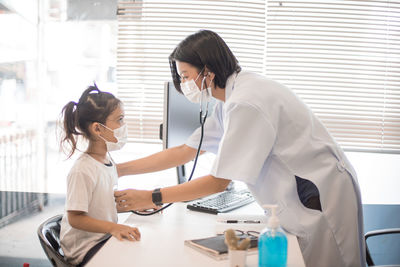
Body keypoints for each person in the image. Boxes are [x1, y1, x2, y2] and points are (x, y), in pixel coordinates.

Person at [114, 30, 365, 267]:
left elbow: (218, 182)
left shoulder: (245, 102)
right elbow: (185, 150)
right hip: (304, 192)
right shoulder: (229, 100)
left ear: (208, 71)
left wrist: (151, 197)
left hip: (317, 194)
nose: (183, 83)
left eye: (186, 75)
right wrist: (119, 170)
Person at [59, 85, 141, 266]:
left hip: (102, 238)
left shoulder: (107, 161)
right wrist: (114, 227)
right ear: (98, 129)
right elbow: (75, 217)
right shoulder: (83, 170)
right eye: (120, 120)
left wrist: (134, 206)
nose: (124, 126)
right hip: (85, 248)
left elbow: (100, 207)